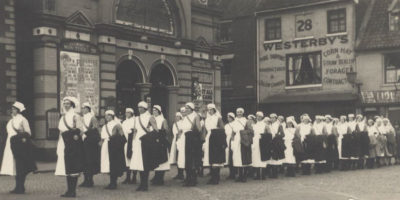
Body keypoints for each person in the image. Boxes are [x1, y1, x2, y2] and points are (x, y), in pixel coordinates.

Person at [0, 101, 36, 194]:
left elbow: (28, 133)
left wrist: (21, 133)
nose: (12, 110)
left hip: (19, 145)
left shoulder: (23, 120)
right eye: (12, 109)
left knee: (20, 165)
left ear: (19, 110)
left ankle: (21, 187)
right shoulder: (11, 120)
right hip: (10, 144)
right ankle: (17, 187)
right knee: (15, 166)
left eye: (14, 109)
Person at [55, 97, 84, 198]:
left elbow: (81, 130)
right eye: (65, 104)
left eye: (68, 104)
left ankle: (72, 191)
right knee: (67, 167)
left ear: (72, 105)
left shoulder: (76, 116)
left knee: (73, 166)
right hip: (63, 142)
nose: (66, 105)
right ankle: (69, 190)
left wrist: (76, 136)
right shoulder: (63, 117)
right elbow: (61, 131)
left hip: (72, 144)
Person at [130, 101, 159, 191]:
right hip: (138, 143)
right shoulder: (136, 118)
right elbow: (135, 131)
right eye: (138, 107)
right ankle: (142, 184)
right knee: (139, 163)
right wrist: (133, 142)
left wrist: (148, 133)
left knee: (145, 164)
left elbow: (156, 130)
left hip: (146, 143)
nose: (139, 109)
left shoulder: (150, 117)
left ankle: (145, 184)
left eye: (141, 107)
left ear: (145, 108)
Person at [100, 110, 126, 190]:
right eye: (106, 116)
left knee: (114, 163)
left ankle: (113, 183)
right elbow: (103, 137)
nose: (107, 117)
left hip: (114, 146)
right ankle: (111, 182)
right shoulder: (105, 126)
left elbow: (122, 136)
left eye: (109, 115)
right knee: (108, 163)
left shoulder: (117, 125)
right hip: (106, 145)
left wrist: (116, 141)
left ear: (112, 116)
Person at [179, 102, 202, 187]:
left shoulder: (195, 116)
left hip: (191, 140)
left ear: (192, 109)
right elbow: (182, 128)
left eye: (188, 108)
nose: (186, 110)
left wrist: (193, 131)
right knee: (185, 159)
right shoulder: (185, 117)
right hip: (184, 139)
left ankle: (193, 179)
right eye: (185, 108)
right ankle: (188, 178)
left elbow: (199, 129)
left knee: (191, 159)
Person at [79, 102, 100, 188]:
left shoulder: (93, 118)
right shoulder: (81, 118)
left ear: (88, 109)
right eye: (82, 108)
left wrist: (86, 132)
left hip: (90, 142)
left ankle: (90, 180)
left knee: (90, 160)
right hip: (82, 141)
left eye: (84, 108)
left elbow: (95, 129)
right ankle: (85, 179)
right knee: (83, 160)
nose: (83, 110)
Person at [203, 104, 225, 185]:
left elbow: (222, 128)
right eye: (208, 110)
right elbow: (205, 130)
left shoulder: (218, 118)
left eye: (211, 109)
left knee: (216, 158)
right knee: (210, 157)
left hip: (216, 138)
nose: (209, 111)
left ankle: (216, 177)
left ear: (214, 110)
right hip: (209, 137)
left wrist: (216, 134)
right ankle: (212, 177)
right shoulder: (207, 119)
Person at [152, 105, 171, 186]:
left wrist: (161, 133)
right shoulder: (152, 119)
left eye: (155, 110)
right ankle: (156, 176)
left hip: (161, 141)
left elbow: (167, 130)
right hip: (154, 141)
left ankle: (160, 178)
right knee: (155, 159)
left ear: (159, 111)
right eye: (153, 110)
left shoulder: (163, 120)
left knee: (162, 159)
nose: (154, 111)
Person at [231, 108, 250, 182]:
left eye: (240, 112)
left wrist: (245, 135)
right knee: (237, 157)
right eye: (237, 112)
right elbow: (233, 132)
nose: (239, 113)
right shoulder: (234, 121)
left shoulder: (246, 121)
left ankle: (244, 176)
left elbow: (249, 130)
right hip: (236, 139)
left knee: (243, 157)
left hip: (243, 139)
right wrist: (232, 141)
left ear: (242, 113)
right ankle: (240, 175)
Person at [121, 108, 137, 184]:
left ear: (131, 113)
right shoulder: (124, 122)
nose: (127, 114)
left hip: (132, 142)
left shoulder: (135, 121)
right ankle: (128, 177)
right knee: (127, 160)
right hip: (126, 142)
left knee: (133, 159)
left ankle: (134, 177)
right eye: (126, 112)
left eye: (128, 113)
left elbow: (135, 131)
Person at [268, 113, 285, 178]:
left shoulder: (279, 125)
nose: (271, 119)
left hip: (276, 143)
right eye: (271, 118)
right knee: (271, 157)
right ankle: (271, 173)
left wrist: (276, 135)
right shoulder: (269, 125)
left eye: (273, 118)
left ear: (276, 118)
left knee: (275, 157)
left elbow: (283, 134)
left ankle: (275, 174)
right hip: (270, 142)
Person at [252, 112, 268, 180]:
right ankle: (258, 175)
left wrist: (263, 137)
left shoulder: (265, 125)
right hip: (255, 141)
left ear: (262, 117)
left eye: (259, 116)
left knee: (263, 156)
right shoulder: (254, 125)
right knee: (256, 157)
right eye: (257, 116)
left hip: (263, 141)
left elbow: (269, 134)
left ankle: (263, 175)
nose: (258, 117)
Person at [171, 108, 185, 180]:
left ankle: (181, 173)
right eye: (176, 116)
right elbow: (174, 132)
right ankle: (179, 173)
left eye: (178, 116)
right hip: (176, 140)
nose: (176, 117)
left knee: (181, 156)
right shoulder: (174, 124)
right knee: (177, 156)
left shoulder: (183, 122)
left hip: (181, 140)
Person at [225, 112, 236, 179]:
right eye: (228, 117)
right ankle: (231, 172)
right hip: (227, 140)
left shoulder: (235, 124)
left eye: (229, 117)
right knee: (229, 157)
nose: (228, 118)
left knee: (233, 157)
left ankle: (234, 172)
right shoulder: (226, 125)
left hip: (233, 140)